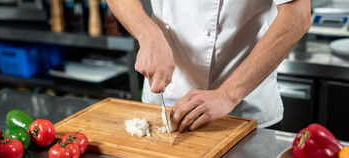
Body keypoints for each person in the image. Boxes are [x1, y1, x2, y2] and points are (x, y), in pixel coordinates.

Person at [105, 0, 311, 131]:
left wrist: (227, 94)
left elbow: (297, 15)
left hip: (244, 111)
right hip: (161, 108)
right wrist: (147, 33)